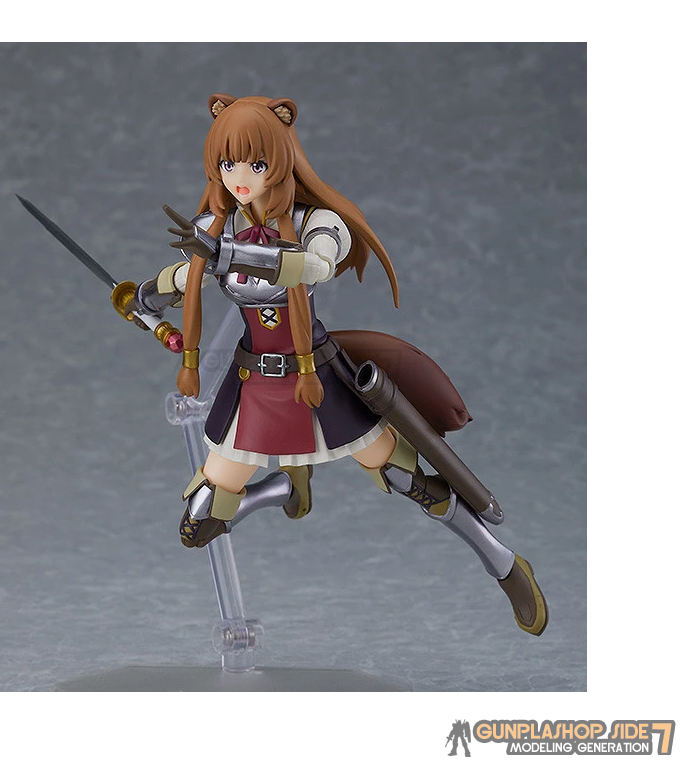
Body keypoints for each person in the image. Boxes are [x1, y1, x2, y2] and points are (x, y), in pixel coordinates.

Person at [114, 94, 548, 636]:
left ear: (280, 159)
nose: (240, 177)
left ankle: (504, 564)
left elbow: (315, 266)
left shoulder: (314, 222)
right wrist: (144, 300)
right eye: (227, 164)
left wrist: (231, 255)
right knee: (201, 518)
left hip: (316, 378)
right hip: (254, 385)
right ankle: (283, 489)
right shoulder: (218, 227)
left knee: (405, 476)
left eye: (255, 163)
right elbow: (188, 278)